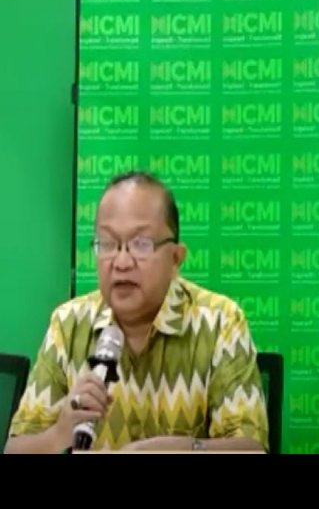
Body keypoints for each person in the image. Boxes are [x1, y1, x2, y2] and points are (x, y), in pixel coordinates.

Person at [4, 171, 269, 453]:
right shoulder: (69, 324)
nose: (121, 262)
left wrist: (182, 449)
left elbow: (251, 449)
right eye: (107, 244)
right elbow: (15, 449)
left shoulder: (219, 322)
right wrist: (59, 434)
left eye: (140, 244)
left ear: (176, 258)